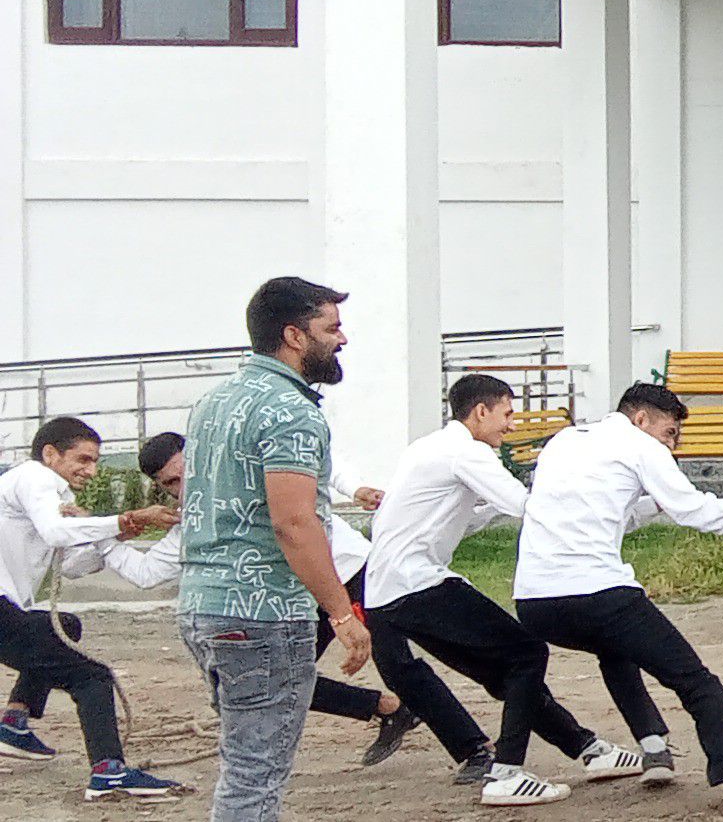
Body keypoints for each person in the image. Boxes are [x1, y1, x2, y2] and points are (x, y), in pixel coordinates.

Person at [350, 377, 646, 805]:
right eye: (507, 414)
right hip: (416, 584)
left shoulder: (427, 447)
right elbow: (525, 505)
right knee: (527, 653)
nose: (511, 426)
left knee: (505, 672)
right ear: (481, 412)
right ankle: (506, 773)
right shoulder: (468, 453)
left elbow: (460, 515)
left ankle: (589, 749)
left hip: (388, 593)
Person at [515, 385, 723, 813]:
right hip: (599, 592)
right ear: (642, 419)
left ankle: (653, 747)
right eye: (669, 433)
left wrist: (654, 505)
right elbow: (695, 511)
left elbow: (609, 512)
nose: (671, 444)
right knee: (696, 682)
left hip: (535, 603)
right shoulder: (640, 446)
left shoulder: (565, 441)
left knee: (615, 651)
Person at [113, 433, 454, 781]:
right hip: (303, 597)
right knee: (281, 679)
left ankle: (476, 748)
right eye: (172, 483)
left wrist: (354, 489)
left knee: (400, 664)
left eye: (187, 473)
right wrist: (109, 531)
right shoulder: (194, 522)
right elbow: (146, 572)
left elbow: (318, 461)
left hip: (351, 573)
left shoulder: (249, 472)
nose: (185, 486)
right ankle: (391, 709)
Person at [177, 276, 374, 822]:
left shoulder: (213, 402)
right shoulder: (292, 411)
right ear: (293, 335)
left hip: (202, 602)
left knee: (244, 763)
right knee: (255, 774)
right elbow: (293, 521)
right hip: (264, 609)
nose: (342, 339)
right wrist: (341, 613)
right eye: (331, 328)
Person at [0, 417, 187, 800]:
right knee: (93, 677)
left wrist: (113, 536)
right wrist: (127, 518)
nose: (91, 470)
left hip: (8, 609)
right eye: (83, 459)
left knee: (64, 626)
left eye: (95, 461)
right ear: (50, 454)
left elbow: (69, 565)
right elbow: (56, 533)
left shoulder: (54, 497)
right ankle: (109, 772)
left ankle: (14, 722)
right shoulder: (34, 477)